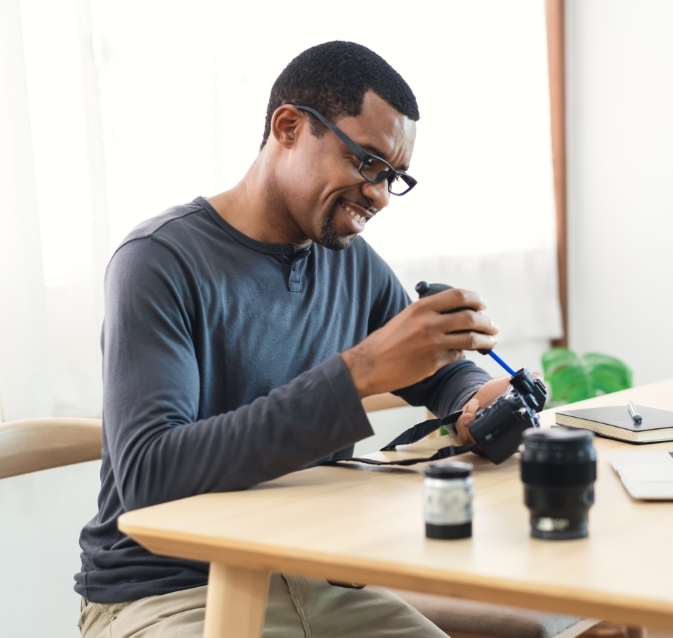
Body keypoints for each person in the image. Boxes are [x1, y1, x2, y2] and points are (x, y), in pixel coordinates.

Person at [76, 40, 509, 637]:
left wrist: (470, 397)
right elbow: (150, 474)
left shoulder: (350, 262)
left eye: (394, 178)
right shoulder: (159, 260)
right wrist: (358, 373)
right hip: (169, 592)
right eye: (366, 163)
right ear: (288, 127)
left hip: (315, 578)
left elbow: (435, 370)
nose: (380, 195)